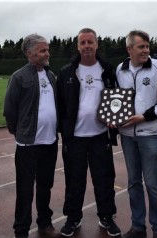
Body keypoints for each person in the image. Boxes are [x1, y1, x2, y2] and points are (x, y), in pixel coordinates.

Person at [56, 28, 121, 237]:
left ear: (97, 44)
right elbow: (60, 105)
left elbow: (116, 101)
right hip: (74, 138)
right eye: (82, 43)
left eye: (90, 42)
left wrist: (114, 120)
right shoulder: (67, 72)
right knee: (74, 180)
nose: (86, 46)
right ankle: (73, 218)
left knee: (104, 178)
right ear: (77, 46)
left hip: (100, 136)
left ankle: (107, 217)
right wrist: (64, 131)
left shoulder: (108, 70)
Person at [116, 30, 157, 238]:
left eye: (148, 46)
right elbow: (116, 101)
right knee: (133, 183)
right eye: (141, 47)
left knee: (152, 184)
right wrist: (114, 121)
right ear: (129, 49)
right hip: (127, 137)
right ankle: (138, 227)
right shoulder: (119, 70)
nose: (146, 50)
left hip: (150, 134)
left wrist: (145, 116)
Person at [3, 34, 60, 238]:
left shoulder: (51, 75)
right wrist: (18, 132)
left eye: (47, 49)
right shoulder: (19, 77)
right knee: (25, 190)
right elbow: (10, 110)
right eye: (43, 50)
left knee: (46, 185)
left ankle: (44, 223)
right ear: (29, 53)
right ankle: (21, 230)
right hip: (28, 145)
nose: (47, 53)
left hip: (50, 142)